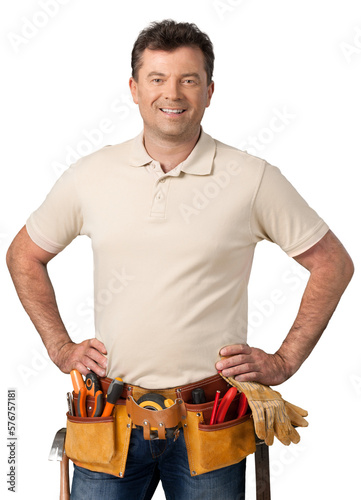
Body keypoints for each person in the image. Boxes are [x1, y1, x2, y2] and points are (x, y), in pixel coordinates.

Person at [6, 19, 353, 500]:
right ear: (133, 88)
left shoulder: (252, 179)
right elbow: (24, 255)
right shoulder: (90, 175)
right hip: (110, 421)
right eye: (158, 78)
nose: (174, 93)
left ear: (210, 91)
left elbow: (333, 263)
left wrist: (284, 361)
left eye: (189, 79)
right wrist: (60, 347)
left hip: (208, 423)